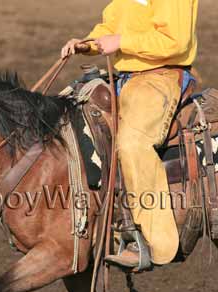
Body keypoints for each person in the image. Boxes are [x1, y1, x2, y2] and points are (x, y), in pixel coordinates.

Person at [61, 0, 199, 267]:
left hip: (160, 78)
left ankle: (152, 242)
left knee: (133, 143)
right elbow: (111, 26)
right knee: (66, 118)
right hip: (124, 78)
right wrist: (88, 43)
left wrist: (122, 42)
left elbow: (176, 41)